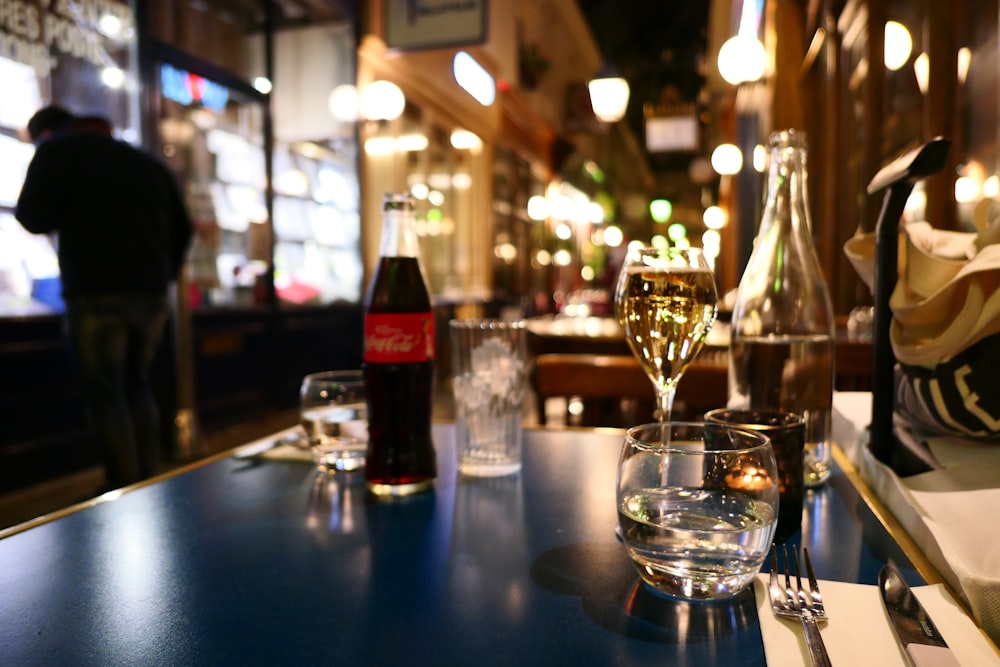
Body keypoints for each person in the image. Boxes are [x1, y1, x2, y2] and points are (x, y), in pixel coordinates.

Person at [15, 105, 193, 489]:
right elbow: (183, 229)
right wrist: (161, 273)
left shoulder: (58, 152)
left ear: (46, 133)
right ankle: (148, 482)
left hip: (95, 289)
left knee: (106, 392)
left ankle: (122, 486)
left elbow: (31, 216)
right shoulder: (144, 162)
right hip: (150, 293)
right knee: (137, 384)